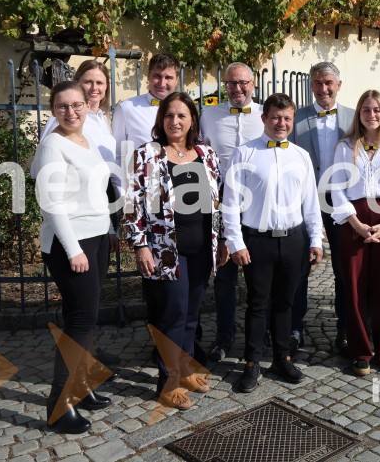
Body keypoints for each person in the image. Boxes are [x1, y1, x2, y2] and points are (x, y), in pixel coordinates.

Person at [124, 92, 223, 409]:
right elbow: (131, 205)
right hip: (165, 250)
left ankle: (185, 370)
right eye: (169, 116)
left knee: (192, 315)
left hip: (201, 247)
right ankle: (167, 384)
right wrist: (140, 245)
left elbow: (217, 202)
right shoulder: (146, 156)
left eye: (182, 115)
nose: (175, 121)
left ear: (193, 119)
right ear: (160, 121)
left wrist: (220, 241)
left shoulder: (206, 154)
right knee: (173, 315)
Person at [222, 93, 324, 393]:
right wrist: (235, 242)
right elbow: (230, 203)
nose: (282, 123)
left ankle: (282, 356)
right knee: (257, 303)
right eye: (276, 117)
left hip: (293, 240)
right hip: (257, 241)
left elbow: (310, 205)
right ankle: (252, 362)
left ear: (292, 121)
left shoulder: (301, 156)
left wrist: (315, 239)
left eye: (287, 118)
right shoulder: (245, 154)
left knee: (285, 303)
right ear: (264, 119)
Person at [33, 81, 113, 434]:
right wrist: (74, 249)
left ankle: (82, 387)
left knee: (85, 318)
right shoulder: (53, 144)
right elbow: (51, 204)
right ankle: (59, 404)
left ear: (86, 105)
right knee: (81, 321)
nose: (71, 111)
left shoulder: (86, 141)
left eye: (77, 105)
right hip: (72, 243)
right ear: (53, 110)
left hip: (96, 237)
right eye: (63, 106)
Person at [329, 90, 380, 376]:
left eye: (377, 110)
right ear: (359, 113)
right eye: (366, 109)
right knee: (355, 289)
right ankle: (361, 350)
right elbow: (336, 189)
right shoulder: (345, 146)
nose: (372, 114)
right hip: (354, 221)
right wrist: (357, 224)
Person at [199, 62, 264, 363]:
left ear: (253, 83)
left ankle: (259, 334)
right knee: (224, 277)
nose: (237, 89)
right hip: (221, 205)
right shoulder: (209, 115)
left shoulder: (266, 115)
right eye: (231, 83)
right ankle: (224, 335)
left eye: (243, 83)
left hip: (257, 205)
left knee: (258, 275)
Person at [289, 62, 354, 355]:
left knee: (344, 267)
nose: (323, 89)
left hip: (342, 201)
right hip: (305, 201)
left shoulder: (354, 117)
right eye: (317, 83)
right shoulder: (297, 118)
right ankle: (294, 327)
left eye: (328, 83)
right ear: (311, 86)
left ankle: (345, 327)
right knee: (299, 267)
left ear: (339, 84)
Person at [112, 53, 179, 168]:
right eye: (157, 76)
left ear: (177, 80)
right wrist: (123, 186)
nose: (162, 83)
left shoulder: (185, 110)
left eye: (168, 77)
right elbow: (117, 155)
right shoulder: (126, 109)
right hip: (142, 183)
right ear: (148, 76)